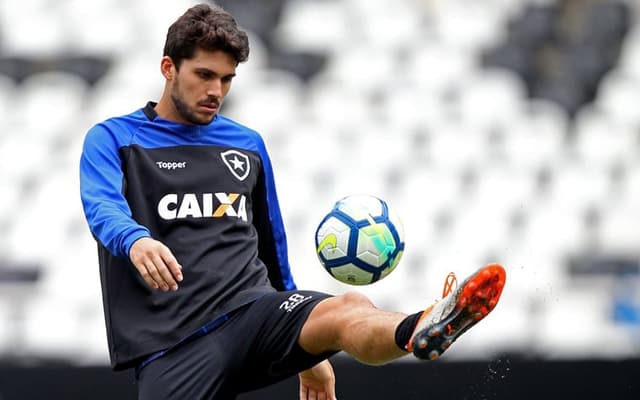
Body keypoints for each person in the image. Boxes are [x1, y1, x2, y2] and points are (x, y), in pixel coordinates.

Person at [79, 4, 507, 399]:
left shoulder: (245, 144)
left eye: (227, 79)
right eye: (205, 75)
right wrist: (136, 240)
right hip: (174, 344)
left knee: (347, 308)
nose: (216, 90)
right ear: (169, 68)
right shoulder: (115, 138)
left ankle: (424, 324)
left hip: (253, 312)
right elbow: (102, 206)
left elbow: (271, 248)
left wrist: (310, 351)